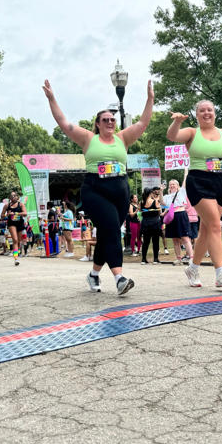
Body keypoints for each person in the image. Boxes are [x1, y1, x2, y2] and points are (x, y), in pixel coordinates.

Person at [43, 77, 154, 294]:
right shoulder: (88, 139)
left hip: (120, 189)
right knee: (112, 228)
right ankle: (119, 277)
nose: (110, 122)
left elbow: (143, 123)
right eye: (105, 120)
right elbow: (63, 122)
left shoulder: (123, 138)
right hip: (95, 188)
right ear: (97, 123)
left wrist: (149, 99)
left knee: (107, 233)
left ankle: (93, 274)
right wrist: (52, 98)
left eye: (112, 119)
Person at [167, 99, 222, 288]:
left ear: (215, 113)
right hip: (198, 181)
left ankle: (193, 268)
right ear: (197, 114)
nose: (206, 113)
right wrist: (177, 121)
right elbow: (172, 136)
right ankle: (220, 273)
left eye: (210, 109)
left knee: (206, 229)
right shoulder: (193, 132)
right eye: (202, 110)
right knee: (216, 225)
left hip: (221, 181)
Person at [163, 177, 194, 265]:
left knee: (185, 237)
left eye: (174, 184)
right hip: (171, 217)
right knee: (175, 239)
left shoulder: (181, 193)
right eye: (170, 184)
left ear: (177, 186)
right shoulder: (167, 196)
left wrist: (186, 171)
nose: (172, 185)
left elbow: (185, 181)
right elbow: (162, 203)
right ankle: (178, 258)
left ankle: (191, 258)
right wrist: (161, 191)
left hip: (181, 215)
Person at [2, 191, 28, 266]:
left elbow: (25, 213)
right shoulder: (7, 206)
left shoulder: (21, 204)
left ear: (17, 197)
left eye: (15, 195)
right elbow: (2, 215)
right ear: (9, 198)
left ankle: (17, 252)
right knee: (15, 240)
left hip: (20, 223)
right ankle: (16, 258)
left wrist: (16, 213)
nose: (13, 197)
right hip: (11, 224)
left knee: (19, 241)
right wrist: (7, 214)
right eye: (12, 196)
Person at [140, 187, 162, 264]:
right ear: (150, 193)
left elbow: (140, 211)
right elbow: (159, 213)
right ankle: (155, 259)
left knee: (146, 242)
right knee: (155, 241)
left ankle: (143, 259)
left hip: (145, 223)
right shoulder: (155, 201)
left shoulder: (141, 202)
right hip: (155, 223)